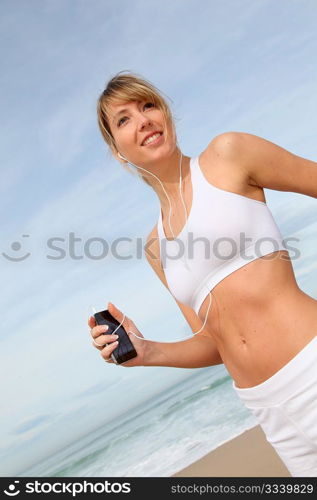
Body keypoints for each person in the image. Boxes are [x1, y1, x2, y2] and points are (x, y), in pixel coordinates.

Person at [88, 71, 317, 477]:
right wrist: (148, 352)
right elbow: (214, 343)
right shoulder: (155, 248)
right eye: (123, 119)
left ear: (166, 114)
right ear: (117, 150)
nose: (143, 120)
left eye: (148, 106)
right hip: (269, 411)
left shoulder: (229, 154)